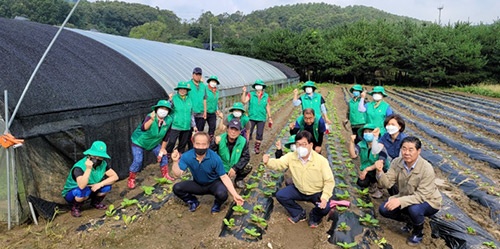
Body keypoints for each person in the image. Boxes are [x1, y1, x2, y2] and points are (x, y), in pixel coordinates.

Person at [375, 136, 442, 246]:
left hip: (429, 201)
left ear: (418, 151)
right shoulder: (397, 162)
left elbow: (421, 196)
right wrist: (379, 172)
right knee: (384, 209)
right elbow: (386, 184)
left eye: (411, 150)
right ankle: (411, 222)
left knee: (414, 209)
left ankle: (418, 233)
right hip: (406, 196)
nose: (406, 153)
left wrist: (400, 201)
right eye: (404, 149)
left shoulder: (426, 168)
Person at [262, 130, 335, 228]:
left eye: (304, 144)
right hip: (299, 189)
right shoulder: (292, 156)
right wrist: (268, 162)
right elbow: (279, 163)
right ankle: (299, 213)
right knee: (281, 195)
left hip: (316, 192)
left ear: (311, 145)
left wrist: (325, 197)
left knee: (325, 208)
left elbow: (329, 181)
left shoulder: (321, 161)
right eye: (298, 144)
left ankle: (314, 216)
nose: (301, 147)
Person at [171, 132, 244, 214]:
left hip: (213, 184)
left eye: (203, 144)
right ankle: (193, 201)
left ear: (208, 145)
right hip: (197, 184)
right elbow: (178, 174)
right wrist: (175, 162)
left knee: (222, 194)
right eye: (198, 144)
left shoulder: (215, 158)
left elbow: (224, 177)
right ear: (193, 143)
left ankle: (217, 204)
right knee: (177, 188)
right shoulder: (187, 156)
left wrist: (235, 195)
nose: (200, 147)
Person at [61, 141, 118, 217]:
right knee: (82, 191)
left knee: (107, 187)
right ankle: (76, 207)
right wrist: (88, 169)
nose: (97, 159)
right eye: (94, 156)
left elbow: (115, 177)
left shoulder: (103, 164)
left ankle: (95, 202)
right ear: (89, 155)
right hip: (74, 192)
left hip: (91, 187)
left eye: (100, 157)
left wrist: (100, 184)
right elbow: (81, 186)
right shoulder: (79, 167)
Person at [127, 100, 174, 189]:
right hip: (140, 141)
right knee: (138, 160)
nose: (163, 111)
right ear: (156, 109)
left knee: (163, 156)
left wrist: (163, 149)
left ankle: (165, 175)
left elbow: (167, 135)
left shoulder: (169, 120)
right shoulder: (150, 116)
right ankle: (131, 179)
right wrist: (152, 120)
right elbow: (144, 128)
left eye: (166, 109)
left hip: (154, 143)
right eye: (161, 108)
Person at [348, 123, 390, 199]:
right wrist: (351, 142)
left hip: (381, 170)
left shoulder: (381, 145)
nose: (367, 134)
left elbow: (381, 163)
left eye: (370, 132)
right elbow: (353, 155)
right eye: (366, 132)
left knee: (379, 170)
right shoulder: (361, 144)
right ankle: (372, 183)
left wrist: (366, 169)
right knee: (361, 183)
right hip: (369, 170)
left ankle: (380, 188)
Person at [210, 119, 251, 189]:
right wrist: (214, 144)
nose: (233, 132)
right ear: (227, 129)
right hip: (222, 167)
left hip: (235, 166)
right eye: (231, 128)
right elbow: (208, 153)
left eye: (236, 130)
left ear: (240, 132)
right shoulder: (219, 139)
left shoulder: (243, 141)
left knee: (248, 166)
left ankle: (238, 179)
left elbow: (246, 157)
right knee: (221, 187)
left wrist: (235, 168)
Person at [242, 79, 272, 154]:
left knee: (259, 133)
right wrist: (244, 92)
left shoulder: (266, 96)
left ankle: (257, 147)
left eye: (260, 85)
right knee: (248, 132)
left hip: (261, 117)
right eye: (257, 85)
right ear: (255, 87)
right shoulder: (251, 94)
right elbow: (244, 101)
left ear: (262, 87)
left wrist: (270, 117)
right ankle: (246, 146)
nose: (258, 87)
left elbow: (267, 107)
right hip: (251, 117)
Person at [166, 81, 196, 154]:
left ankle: (180, 155)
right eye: (181, 89)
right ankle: (167, 154)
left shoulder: (189, 100)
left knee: (183, 143)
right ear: (178, 90)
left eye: (184, 89)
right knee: (172, 141)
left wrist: (194, 125)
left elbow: (191, 114)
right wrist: (169, 100)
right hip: (176, 125)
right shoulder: (174, 98)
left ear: (187, 91)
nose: (182, 91)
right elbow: (167, 108)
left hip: (186, 126)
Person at [187, 67, 208, 136]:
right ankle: (190, 146)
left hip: (200, 112)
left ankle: (197, 146)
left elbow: (204, 99)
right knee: (190, 132)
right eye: (196, 74)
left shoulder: (203, 86)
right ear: (193, 75)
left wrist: (205, 111)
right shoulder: (188, 85)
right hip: (191, 112)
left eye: (199, 75)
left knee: (199, 132)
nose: (198, 76)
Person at [203, 75, 220, 140]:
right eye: (212, 81)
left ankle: (210, 141)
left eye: (215, 82)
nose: (213, 83)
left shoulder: (216, 92)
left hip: (212, 112)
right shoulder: (204, 89)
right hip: (204, 112)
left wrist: (217, 109)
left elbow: (216, 102)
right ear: (209, 82)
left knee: (212, 127)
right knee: (201, 127)